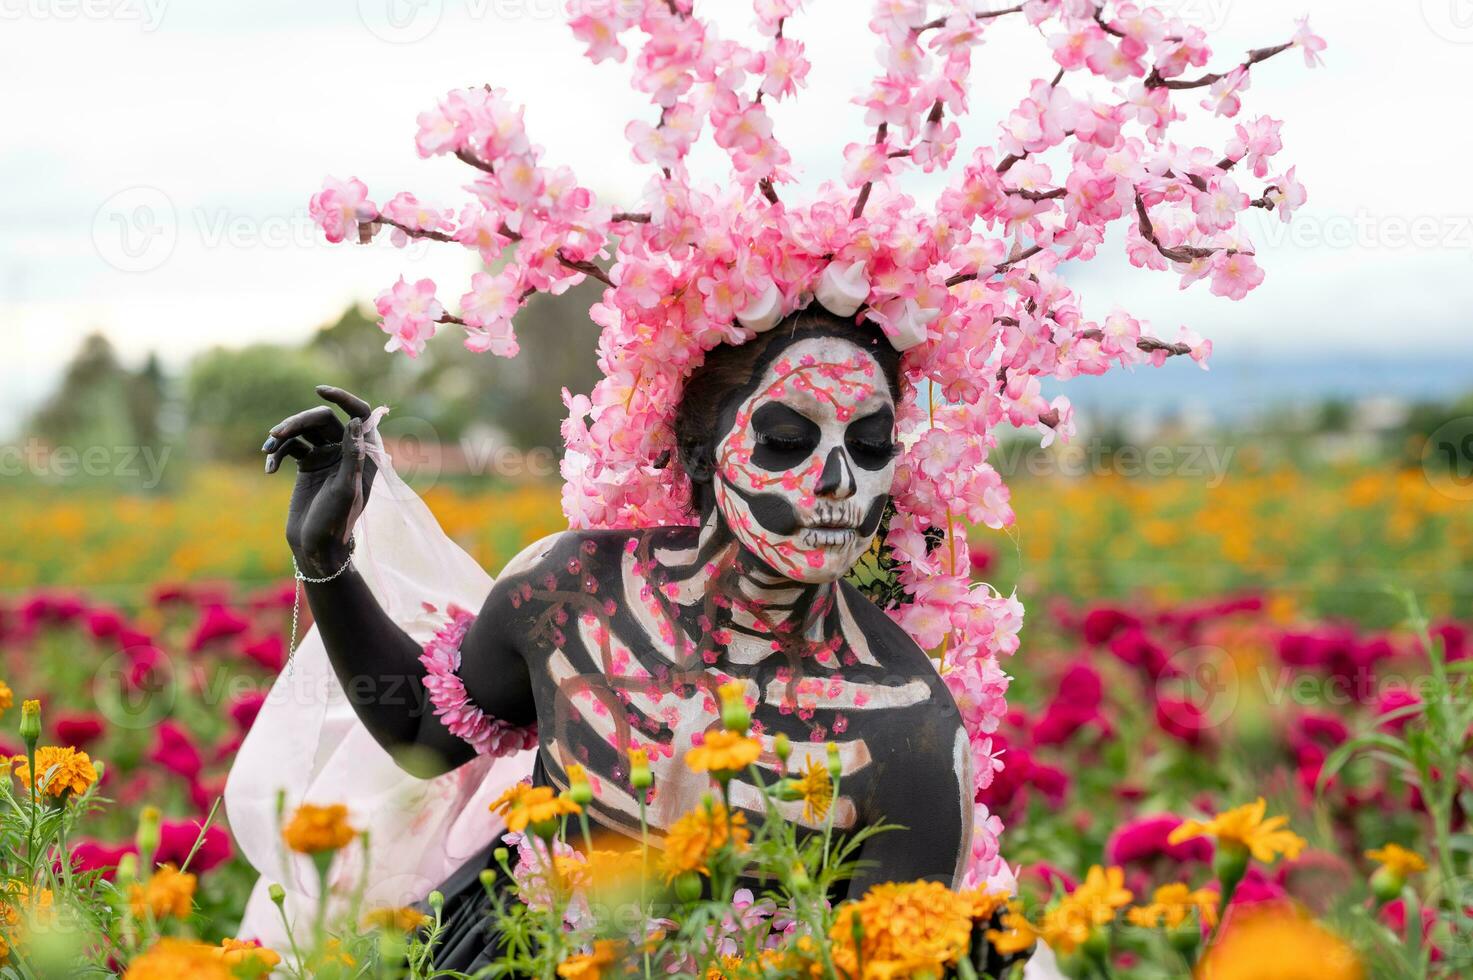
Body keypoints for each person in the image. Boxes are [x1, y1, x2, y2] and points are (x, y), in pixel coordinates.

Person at [257, 307, 973, 969]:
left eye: (870, 445)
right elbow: (424, 732)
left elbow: (897, 957)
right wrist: (325, 560)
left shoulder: (905, 727)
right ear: (697, 453)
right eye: (786, 442)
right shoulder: (571, 592)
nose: (839, 482)